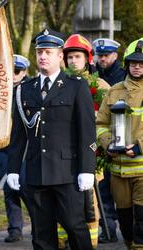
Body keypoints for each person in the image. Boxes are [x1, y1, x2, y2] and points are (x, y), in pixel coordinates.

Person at [7, 28, 96, 250]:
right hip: (36, 173)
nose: (42, 57)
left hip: (67, 172)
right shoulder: (25, 90)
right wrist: (13, 168)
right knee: (41, 232)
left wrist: (87, 169)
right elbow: (18, 135)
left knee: (75, 226)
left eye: (48, 52)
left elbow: (87, 131)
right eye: (39, 52)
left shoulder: (76, 86)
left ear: (60, 56)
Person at [61, 34, 111, 249]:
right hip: (63, 154)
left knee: (89, 201)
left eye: (77, 56)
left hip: (92, 152)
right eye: (70, 57)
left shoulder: (101, 86)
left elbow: (108, 121)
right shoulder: (58, 83)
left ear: (87, 59)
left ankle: (90, 242)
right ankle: (62, 240)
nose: (73, 61)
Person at [96, 38, 143, 250]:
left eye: (142, 63)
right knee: (125, 223)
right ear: (126, 63)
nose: (137, 66)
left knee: (141, 222)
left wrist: (140, 146)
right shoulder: (114, 91)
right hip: (118, 170)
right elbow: (101, 124)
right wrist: (108, 144)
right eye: (133, 62)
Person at [92, 38, 123, 243]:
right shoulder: (92, 76)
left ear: (115, 56)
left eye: (106, 55)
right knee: (102, 188)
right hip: (98, 139)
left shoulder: (124, 76)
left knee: (120, 188)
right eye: (99, 55)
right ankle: (108, 228)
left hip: (120, 138)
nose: (102, 59)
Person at [0, 54, 30, 242]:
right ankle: (14, 229)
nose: (14, 75)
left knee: (26, 187)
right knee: (9, 189)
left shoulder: (30, 88)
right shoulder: (2, 90)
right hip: (4, 147)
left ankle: (39, 224)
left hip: (24, 148)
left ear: (24, 72)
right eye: (11, 70)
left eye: (17, 71)